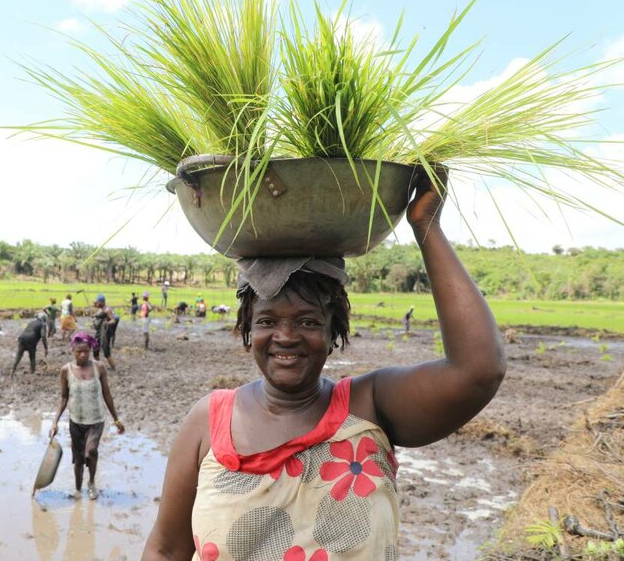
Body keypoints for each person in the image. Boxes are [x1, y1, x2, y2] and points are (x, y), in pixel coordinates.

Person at [142, 171, 506, 559]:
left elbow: (479, 369)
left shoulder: (369, 407)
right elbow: (165, 550)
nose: (286, 336)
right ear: (247, 330)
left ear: (335, 332)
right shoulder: (208, 422)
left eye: (308, 321)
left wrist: (426, 225)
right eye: (267, 321)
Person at [49, 332, 125, 500]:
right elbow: (63, 398)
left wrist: (116, 419)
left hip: (96, 420)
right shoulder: (65, 371)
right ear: (73, 351)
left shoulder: (99, 367)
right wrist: (54, 422)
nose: (82, 354)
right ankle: (77, 490)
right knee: (77, 460)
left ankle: (91, 483)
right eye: (79, 352)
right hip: (76, 421)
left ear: (90, 350)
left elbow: (107, 394)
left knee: (91, 452)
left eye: (86, 351)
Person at [92, 294, 117, 370]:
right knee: (95, 348)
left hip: (104, 332)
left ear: (102, 302)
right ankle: (98, 366)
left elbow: (113, 320)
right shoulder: (100, 309)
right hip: (98, 332)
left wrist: (107, 323)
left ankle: (113, 367)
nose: (97, 304)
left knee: (106, 350)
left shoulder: (107, 310)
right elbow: (97, 314)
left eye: (98, 302)